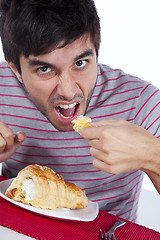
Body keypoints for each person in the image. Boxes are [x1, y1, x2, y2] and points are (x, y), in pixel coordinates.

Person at [0, 0, 160, 222]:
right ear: (15, 69)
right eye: (44, 69)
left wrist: (152, 155)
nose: (67, 91)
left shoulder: (141, 102)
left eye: (81, 63)